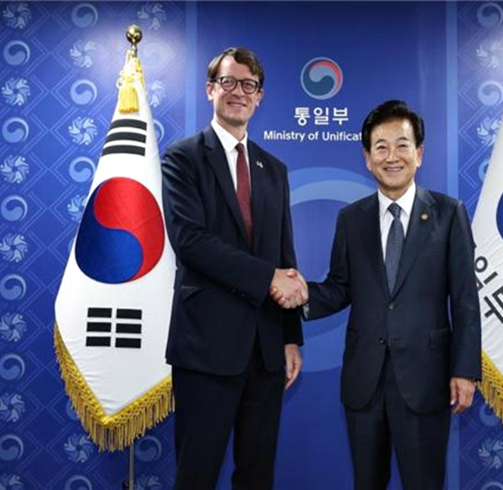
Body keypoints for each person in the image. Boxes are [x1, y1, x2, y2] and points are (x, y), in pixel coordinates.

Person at [279, 100, 481, 489]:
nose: (392, 157)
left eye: (402, 145)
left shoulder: (448, 213)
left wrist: (464, 370)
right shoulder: (351, 219)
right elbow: (340, 287)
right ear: (367, 158)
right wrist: (301, 295)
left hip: (426, 379)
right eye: (381, 147)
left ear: (419, 153)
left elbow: (465, 299)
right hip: (365, 381)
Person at [161, 46, 307, 490]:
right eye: (228, 82)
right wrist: (267, 278)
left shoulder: (274, 169)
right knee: (197, 474)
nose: (238, 92)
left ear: (259, 97)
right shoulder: (182, 158)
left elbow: (284, 256)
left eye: (249, 85)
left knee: (257, 475)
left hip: (266, 350)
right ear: (211, 90)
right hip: (206, 347)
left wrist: (290, 337)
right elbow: (191, 242)